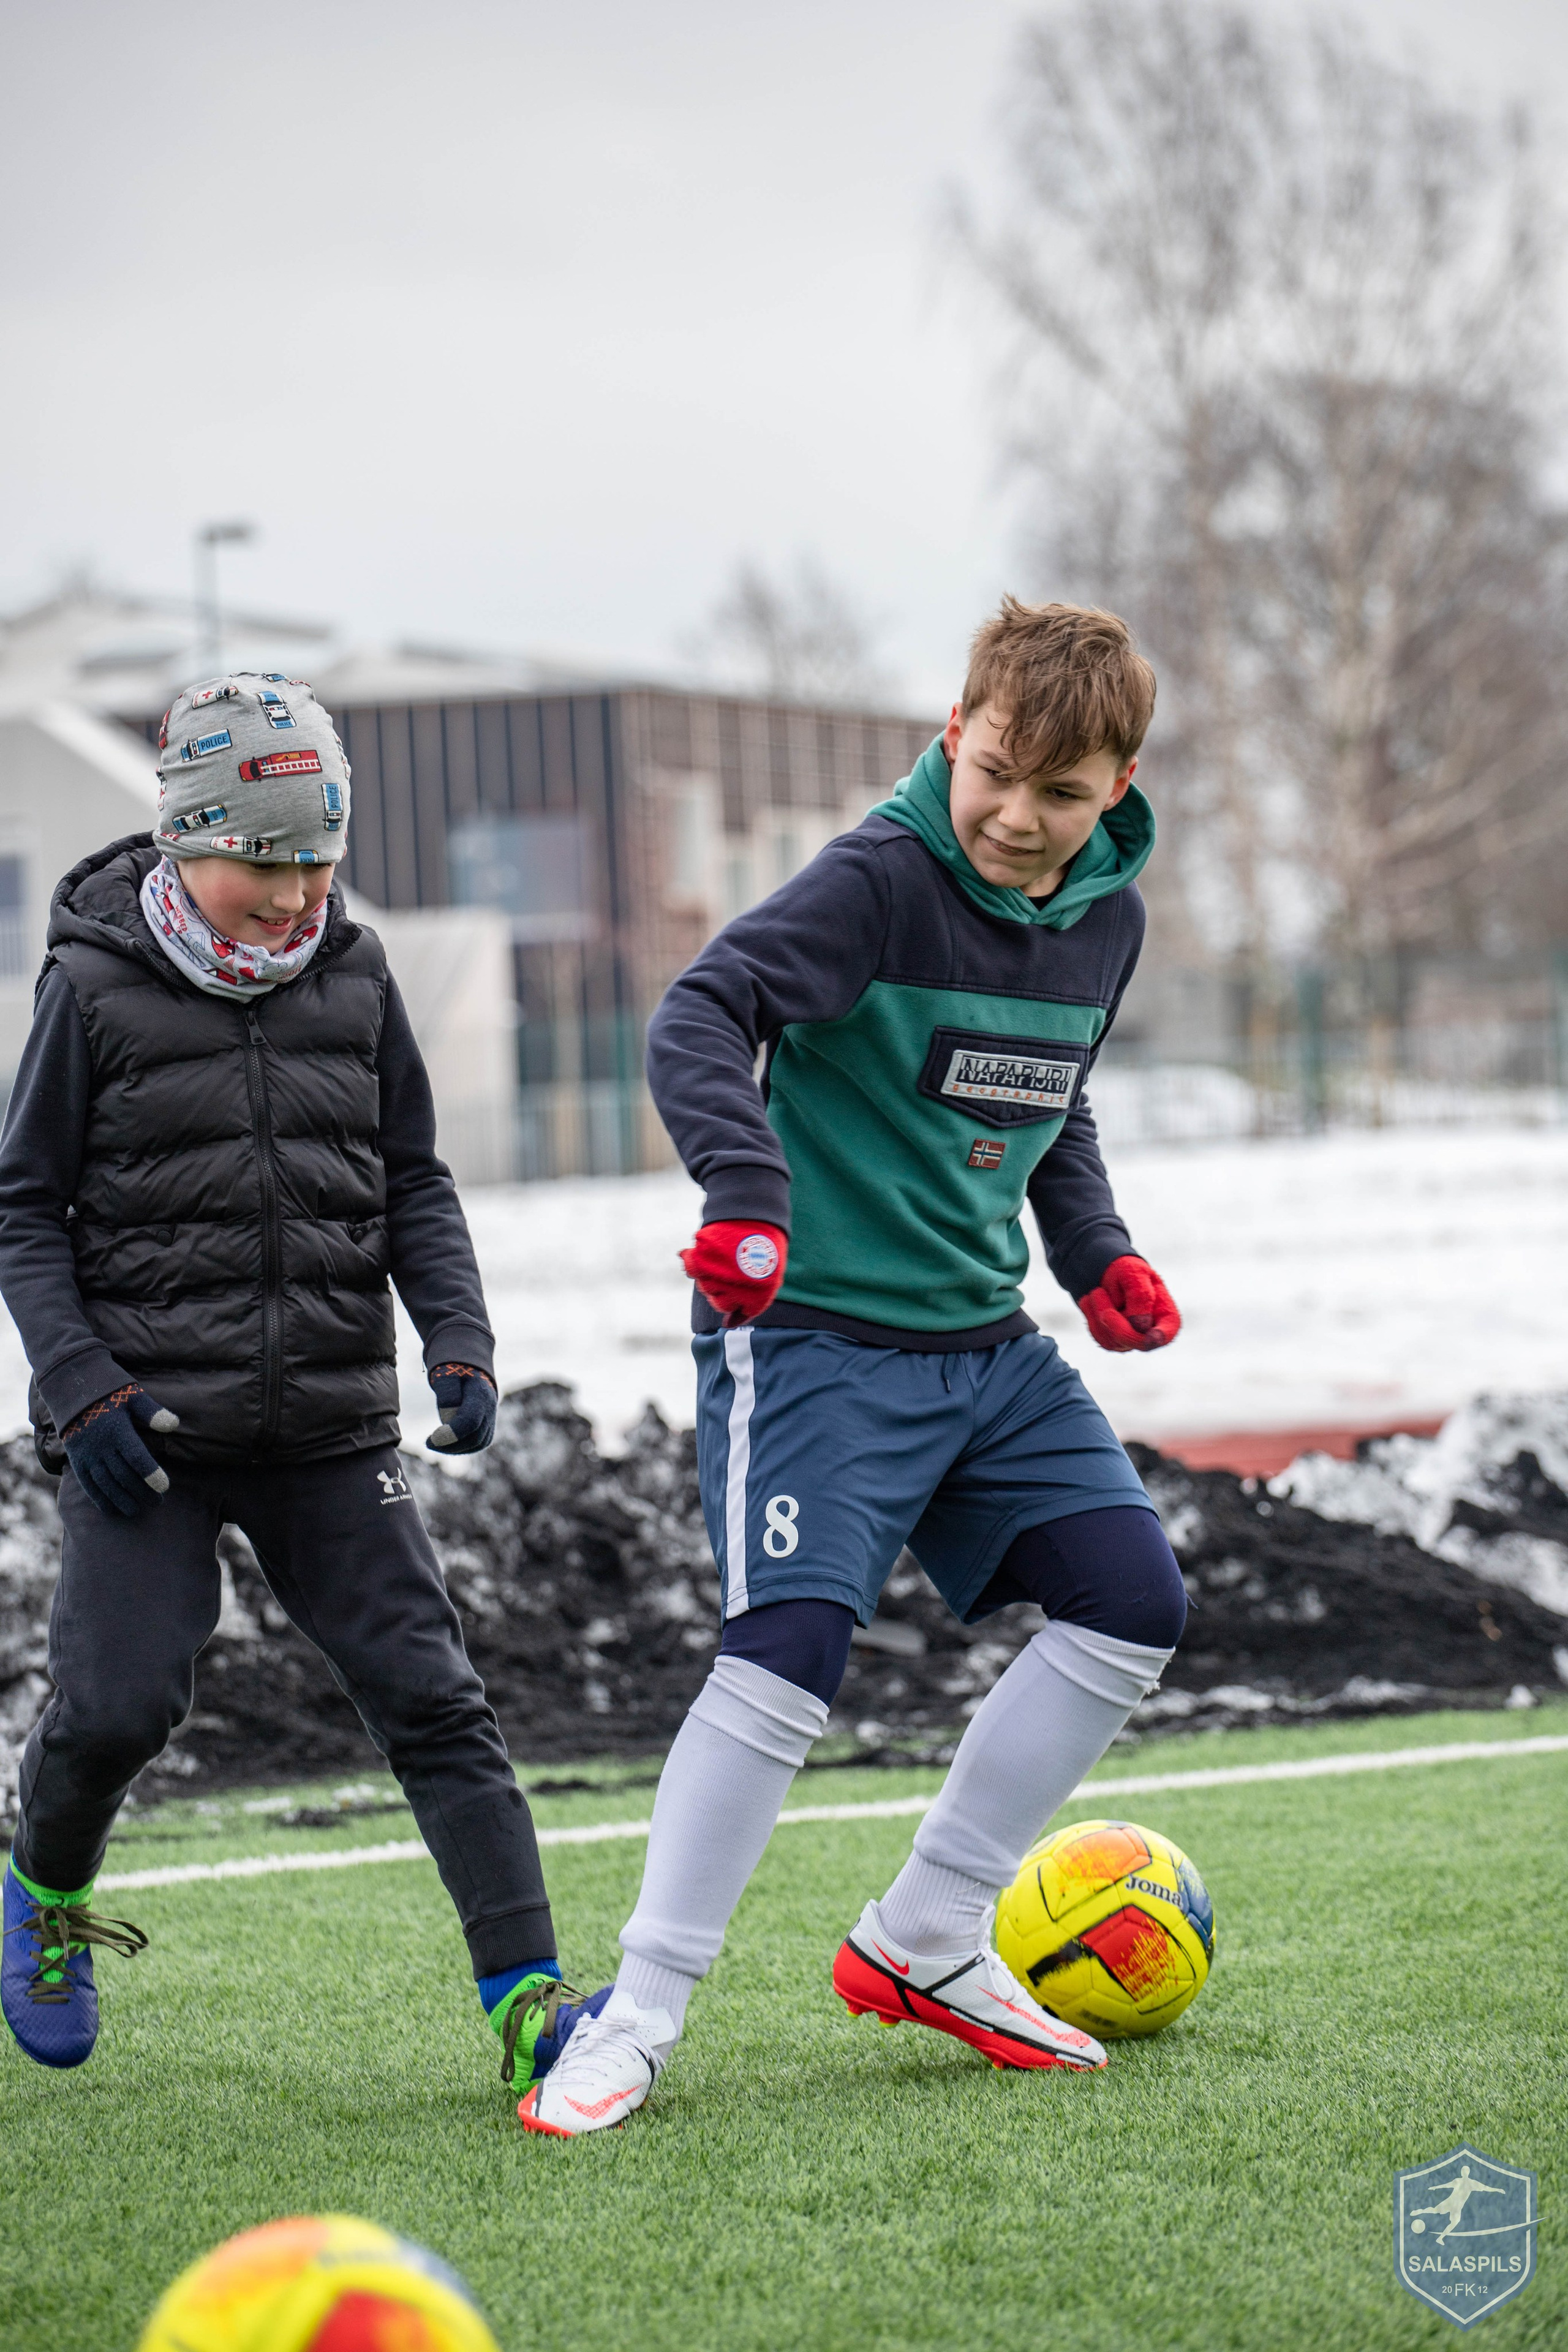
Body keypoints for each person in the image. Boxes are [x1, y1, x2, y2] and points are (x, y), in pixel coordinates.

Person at [521, 598, 1189, 2136]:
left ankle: (927, 1935)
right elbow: (702, 1009)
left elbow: (1049, 1101)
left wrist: (1097, 1257)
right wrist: (746, 1197)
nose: (1017, 821)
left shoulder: (1107, 919)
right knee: (787, 1656)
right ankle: (637, 2014)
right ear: (955, 736)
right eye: (997, 775)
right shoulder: (880, 880)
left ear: (1119, 787)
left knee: (1131, 1597)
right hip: (813, 1338)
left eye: (1061, 794)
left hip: (983, 1350)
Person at [0, 674, 601, 2090]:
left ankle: (528, 1999)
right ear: (182, 840)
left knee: (435, 1700)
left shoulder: (360, 971)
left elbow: (411, 1180)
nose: (293, 896)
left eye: (315, 861)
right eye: (260, 865)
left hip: (332, 1426)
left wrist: (456, 1337)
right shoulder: (88, 989)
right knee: (117, 1708)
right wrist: (81, 1390)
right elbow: (23, 1208)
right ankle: (41, 1893)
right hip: (143, 1433)